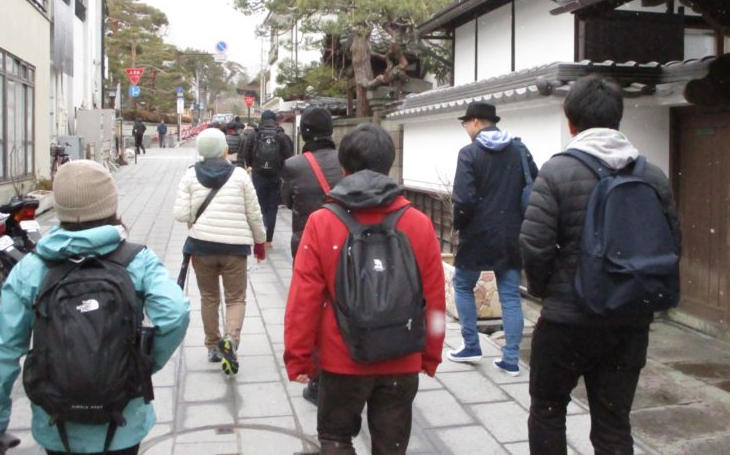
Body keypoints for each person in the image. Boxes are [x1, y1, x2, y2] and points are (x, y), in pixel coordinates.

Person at [0, 160, 190, 454]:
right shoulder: (136, 260)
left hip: (56, 422)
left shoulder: (32, 268)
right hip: (123, 422)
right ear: (110, 204)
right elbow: (175, 313)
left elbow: (3, 350)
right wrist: (139, 366)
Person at [520, 75, 681, 454]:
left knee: (548, 408)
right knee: (613, 422)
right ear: (618, 119)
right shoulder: (652, 175)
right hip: (627, 321)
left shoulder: (557, 171)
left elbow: (534, 244)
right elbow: (672, 244)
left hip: (566, 321)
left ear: (570, 121)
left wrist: (546, 291)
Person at [284, 123, 445, 455]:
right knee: (392, 445)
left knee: (335, 437)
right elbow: (434, 296)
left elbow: (304, 298)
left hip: (341, 358)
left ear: (344, 167)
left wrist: (298, 358)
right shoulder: (418, 222)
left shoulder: (322, 221)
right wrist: (431, 351)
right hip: (402, 356)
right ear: (388, 164)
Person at [447, 101, 537, 377]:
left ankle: (471, 345)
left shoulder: (470, 153)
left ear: (475, 121)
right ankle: (510, 359)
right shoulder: (519, 149)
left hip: (477, 233)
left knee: (463, 285)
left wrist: (459, 225)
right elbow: (534, 183)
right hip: (511, 232)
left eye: (465, 124)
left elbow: (464, 199)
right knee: (510, 295)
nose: (465, 129)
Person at [174, 128, 267, 374]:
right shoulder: (239, 176)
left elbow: (181, 214)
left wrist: (197, 214)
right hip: (234, 248)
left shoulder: (190, 176)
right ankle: (231, 340)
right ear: (225, 149)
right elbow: (254, 214)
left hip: (201, 247)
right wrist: (260, 241)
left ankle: (213, 345)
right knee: (236, 297)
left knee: (208, 297)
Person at [281, 106, 343, 405]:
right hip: (344, 242)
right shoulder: (347, 160)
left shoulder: (294, 165)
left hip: (307, 242)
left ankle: (319, 379)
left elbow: (286, 199)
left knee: (313, 307)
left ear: (303, 131)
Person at [242, 110, 293, 248]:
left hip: (258, 174)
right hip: (275, 175)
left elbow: (246, 153)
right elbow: (289, 156)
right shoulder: (281, 135)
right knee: (272, 207)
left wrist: (252, 165)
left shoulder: (254, 134)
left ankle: (259, 237)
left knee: (259, 206)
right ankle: (268, 240)